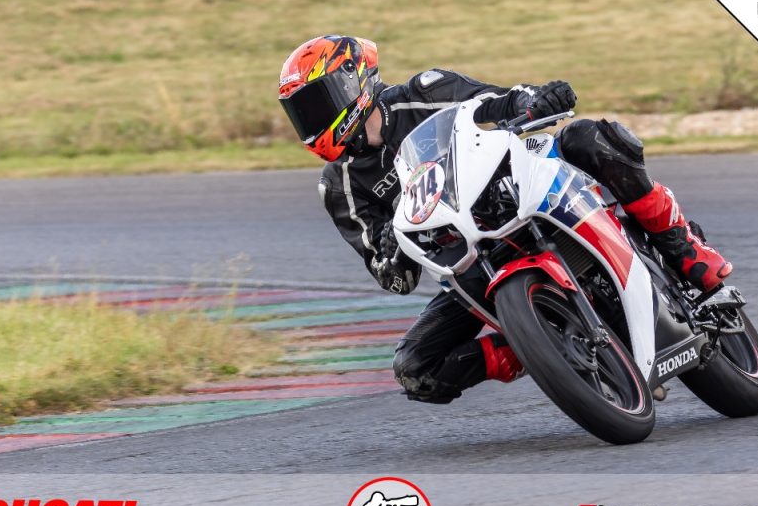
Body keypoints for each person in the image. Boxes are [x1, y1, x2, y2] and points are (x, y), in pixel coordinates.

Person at [278, 35, 732, 404]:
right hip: (467, 264)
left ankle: (684, 249)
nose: (311, 123)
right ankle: (536, 344)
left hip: (511, 197)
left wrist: (535, 98)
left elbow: (494, 102)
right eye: (302, 114)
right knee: (416, 368)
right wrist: (394, 249)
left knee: (590, 138)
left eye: (317, 104)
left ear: (353, 81)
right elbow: (392, 277)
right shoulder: (339, 187)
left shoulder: (424, 92)